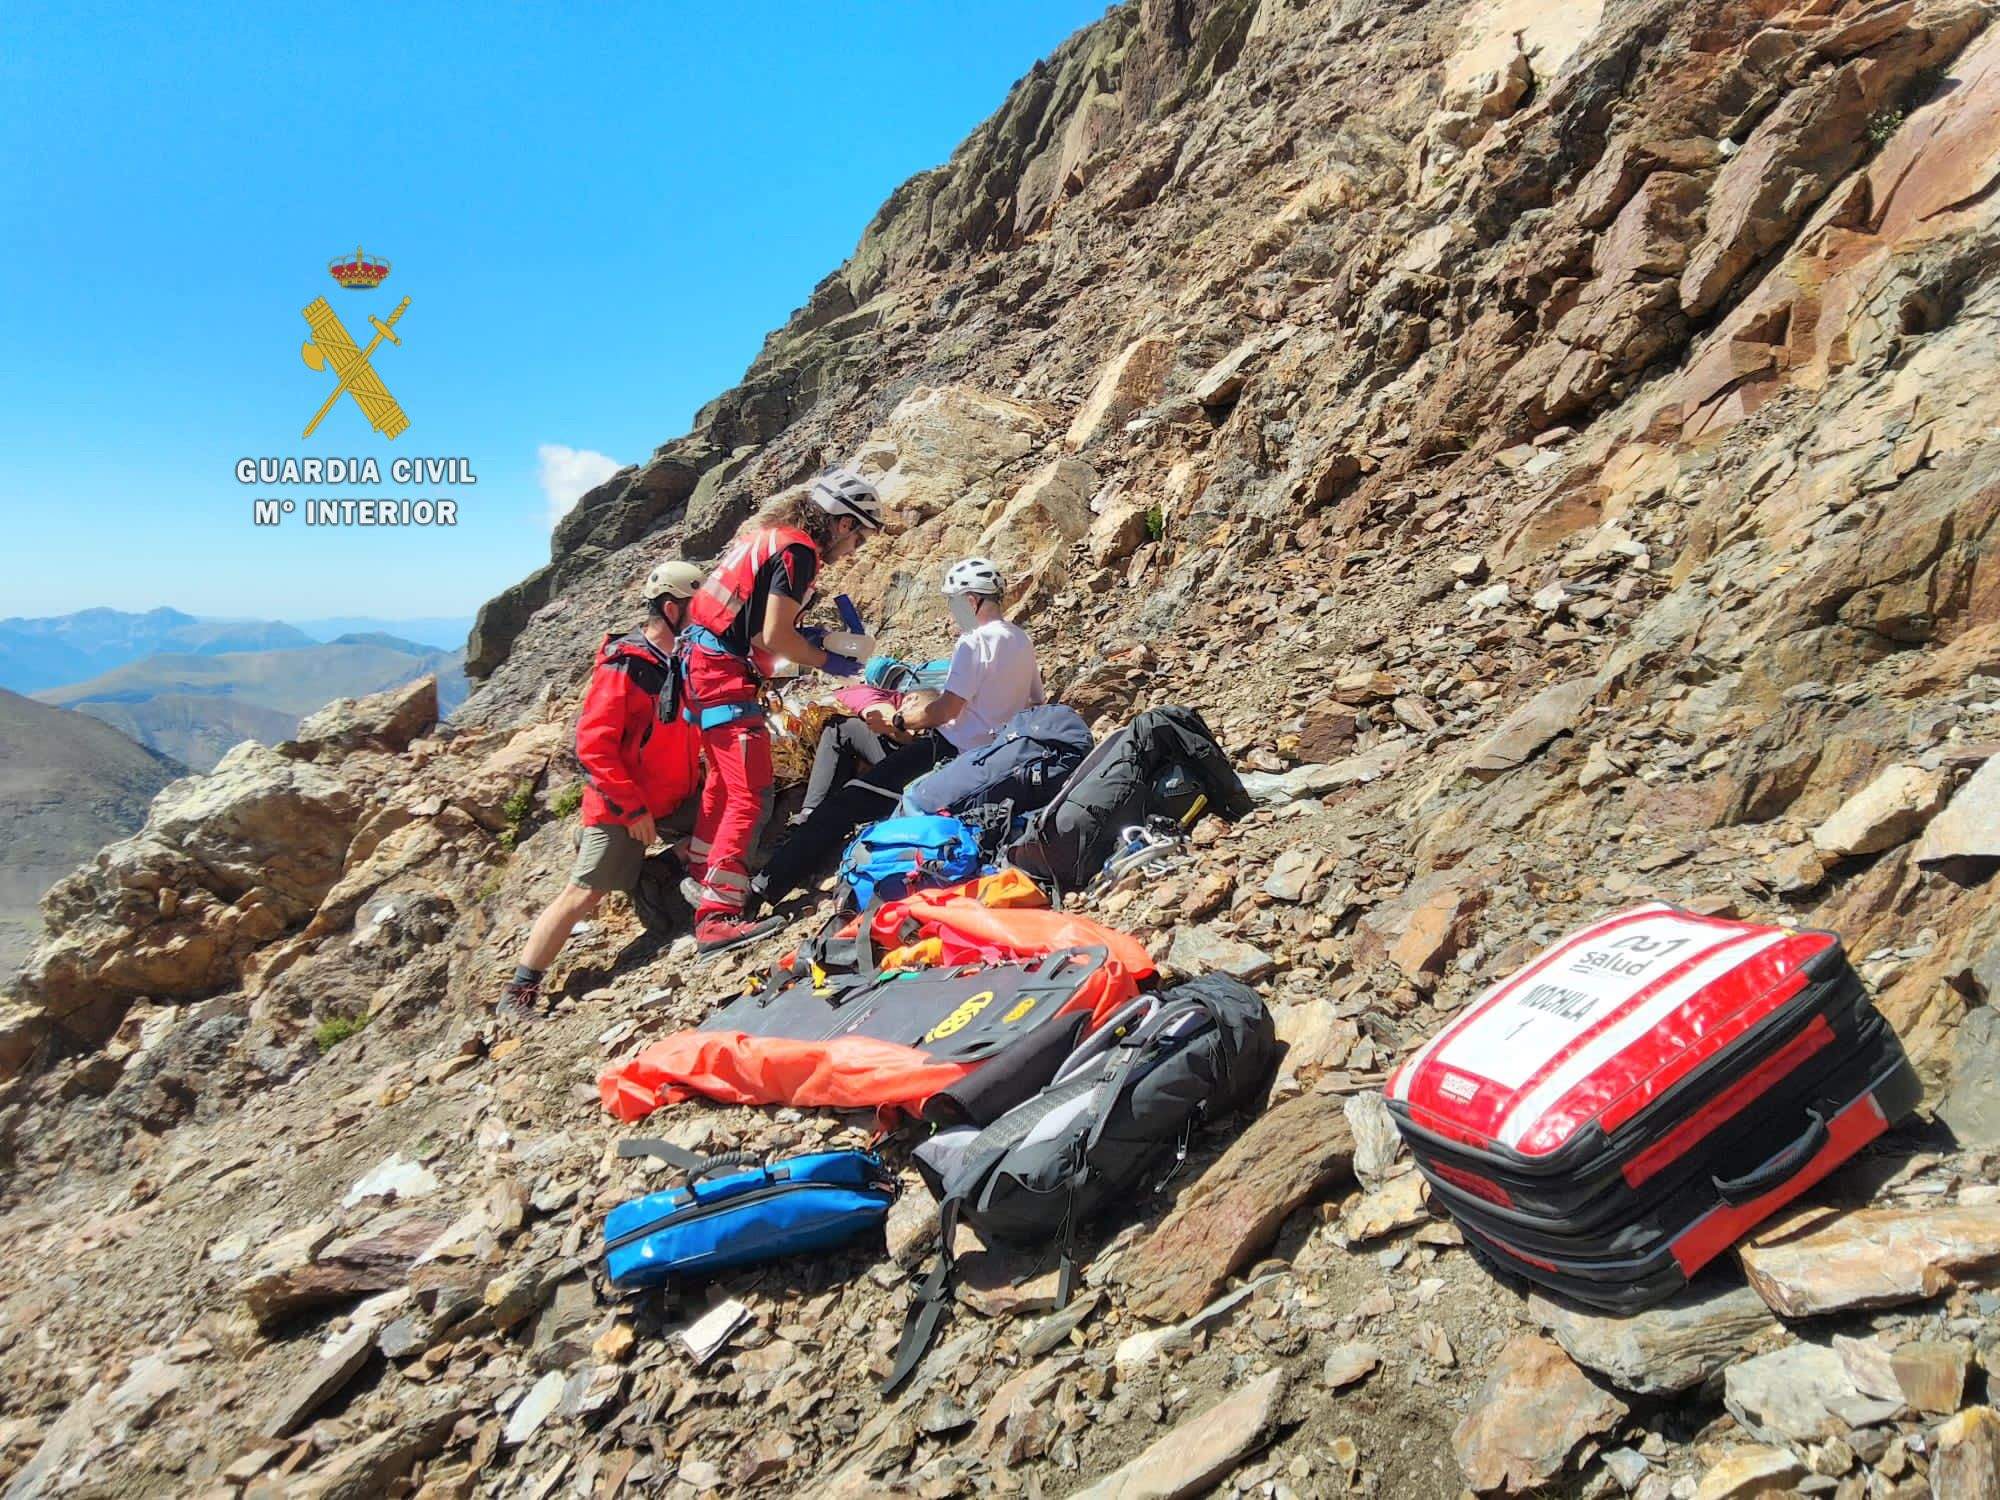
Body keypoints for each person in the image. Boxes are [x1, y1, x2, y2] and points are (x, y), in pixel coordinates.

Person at [754, 555, 1044, 906]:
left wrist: (900, 722)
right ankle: (807, 833)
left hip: (947, 753)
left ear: (971, 600)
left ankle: (762, 890)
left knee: (847, 802)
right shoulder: (1020, 639)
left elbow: (945, 710)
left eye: (954, 604)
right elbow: (1034, 702)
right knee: (843, 733)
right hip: (990, 755)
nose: (953, 613)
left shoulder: (973, 642)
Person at [679, 468, 883, 953]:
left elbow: (753, 627)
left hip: (699, 664)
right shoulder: (799, 552)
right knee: (751, 790)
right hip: (722, 673)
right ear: (840, 523)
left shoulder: (767, 538)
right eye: (858, 537)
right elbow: (774, 637)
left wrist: (801, 641)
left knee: (722, 783)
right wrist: (825, 659)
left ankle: (701, 876)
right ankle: (718, 914)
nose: (853, 550)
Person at [499, 558, 708, 1020]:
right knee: (583, 894)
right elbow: (593, 748)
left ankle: (656, 874)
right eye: (699, 604)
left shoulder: (680, 657)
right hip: (625, 808)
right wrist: (632, 810)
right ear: (673, 609)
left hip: (675, 795)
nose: (707, 613)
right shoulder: (625, 668)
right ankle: (520, 990)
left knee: (738, 814)